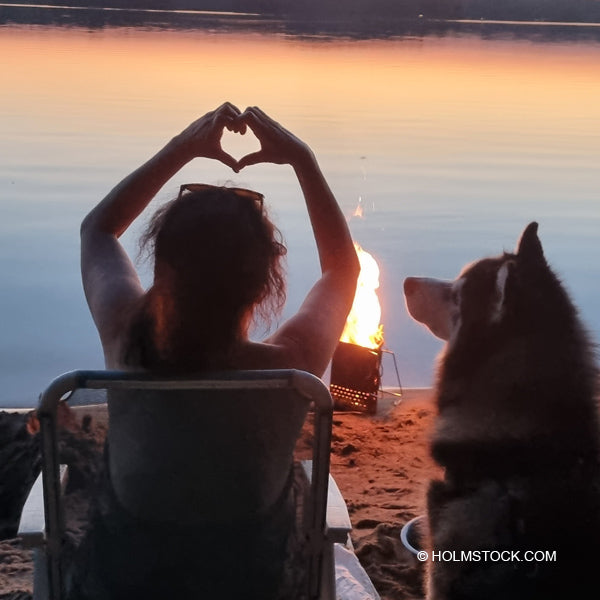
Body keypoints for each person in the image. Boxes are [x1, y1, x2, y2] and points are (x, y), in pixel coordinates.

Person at [71, 103, 360, 598]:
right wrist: (303, 161)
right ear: (262, 284)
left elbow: (97, 230)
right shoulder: (289, 370)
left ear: (162, 265)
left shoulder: (127, 338)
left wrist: (184, 146)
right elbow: (341, 271)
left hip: (120, 586)